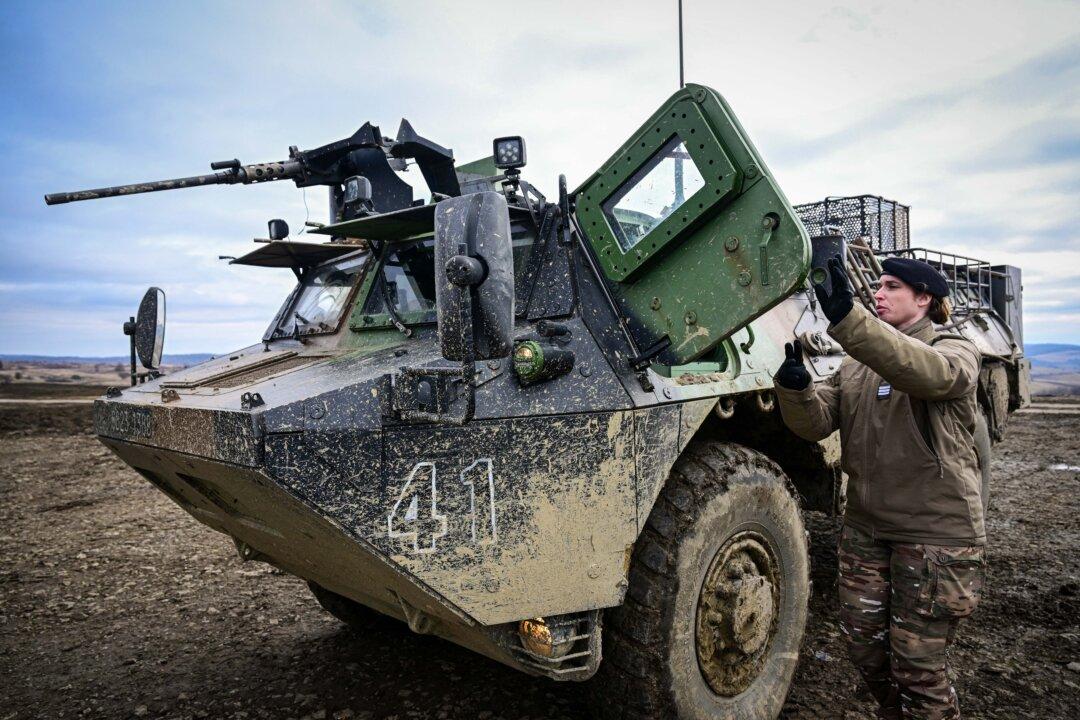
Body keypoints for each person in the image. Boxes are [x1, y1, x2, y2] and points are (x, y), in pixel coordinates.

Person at [773, 256, 986, 719]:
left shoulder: (954, 348)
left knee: (917, 668)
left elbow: (928, 373)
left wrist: (850, 320)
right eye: (877, 286)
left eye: (891, 286)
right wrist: (796, 389)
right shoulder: (857, 363)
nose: (879, 294)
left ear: (924, 297)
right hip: (867, 533)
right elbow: (816, 424)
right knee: (866, 652)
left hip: (933, 535)